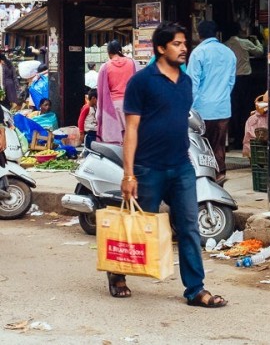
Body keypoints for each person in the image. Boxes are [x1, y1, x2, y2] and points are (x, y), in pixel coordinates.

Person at [115, 21, 227, 308]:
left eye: (184, 43)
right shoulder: (142, 82)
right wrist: (129, 174)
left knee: (189, 227)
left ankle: (195, 290)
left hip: (181, 167)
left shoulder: (187, 82)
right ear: (161, 48)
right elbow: (132, 129)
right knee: (139, 223)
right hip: (148, 167)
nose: (184, 49)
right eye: (177, 44)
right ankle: (117, 273)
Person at [187, 20, 237, 184]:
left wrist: (188, 107)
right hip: (222, 107)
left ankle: (205, 179)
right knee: (219, 145)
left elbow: (192, 83)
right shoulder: (229, 53)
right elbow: (231, 82)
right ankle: (220, 173)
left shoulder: (198, 53)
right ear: (217, 34)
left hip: (202, 109)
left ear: (199, 34)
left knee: (201, 147)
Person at [224, 25, 264, 150]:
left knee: (234, 109)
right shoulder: (243, 42)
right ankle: (243, 136)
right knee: (245, 108)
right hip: (245, 79)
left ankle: (235, 137)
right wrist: (256, 39)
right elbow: (259, 52)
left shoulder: (224, 45)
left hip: (231, 80)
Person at [96, 40, 137, 145]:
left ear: (109, 53)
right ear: (120, 50)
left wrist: (99, 114)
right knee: (132, 136)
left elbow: (100, 92)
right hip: (131, 105)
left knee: (116, 141)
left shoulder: (105, 67)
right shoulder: (133, 63)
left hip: (112, 107)